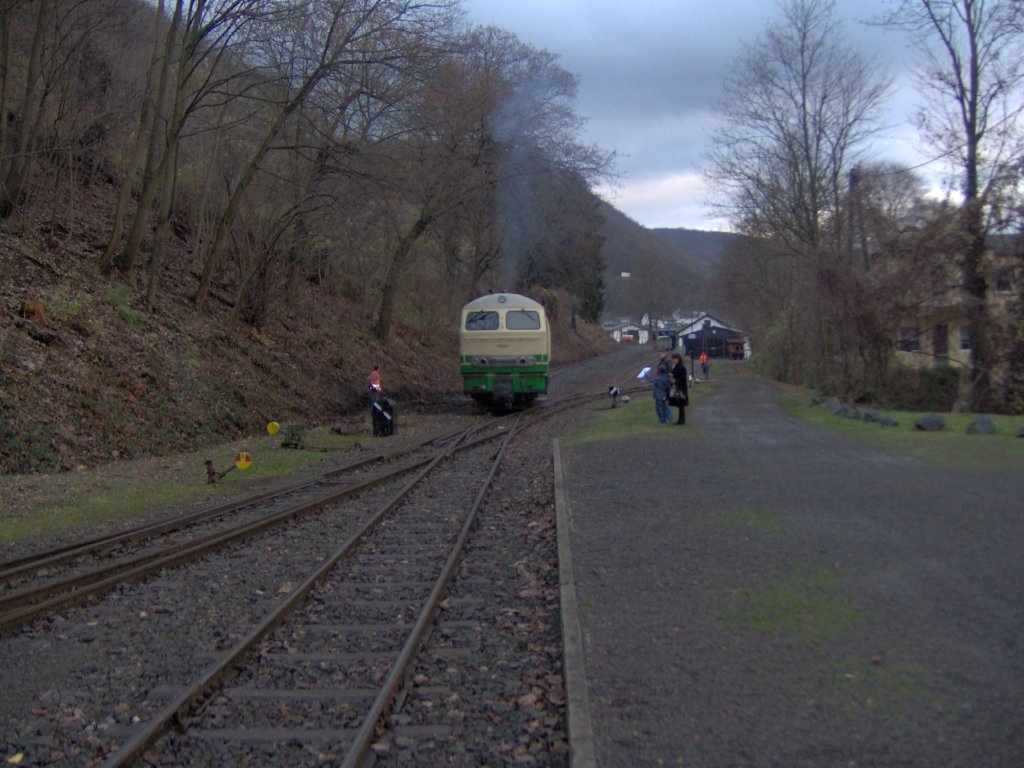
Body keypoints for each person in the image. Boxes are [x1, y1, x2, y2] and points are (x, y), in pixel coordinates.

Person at [669, 352, 689, 425]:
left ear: (678, 359)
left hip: (681, 389)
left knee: (681, 405)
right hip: (678, 388)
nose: (673, 360)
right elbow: (672, 374)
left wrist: (675, 380)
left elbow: (683, 378)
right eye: (672, 359)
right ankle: (680, 420)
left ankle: (681, 421)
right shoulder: (677, 366)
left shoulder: (681, 367)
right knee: (680, 405)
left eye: (674, 359)